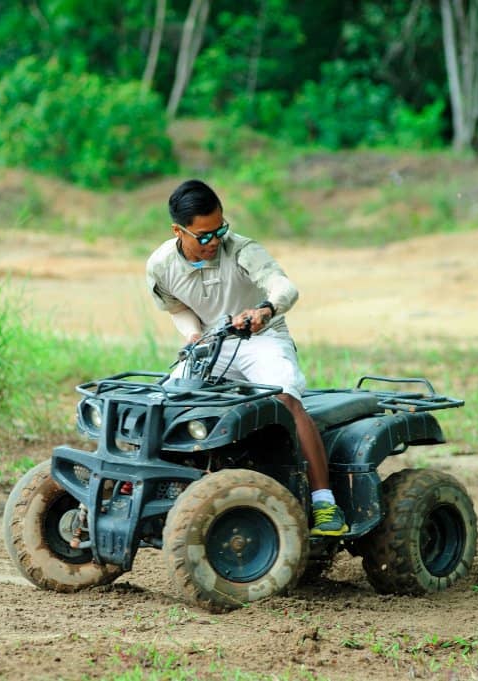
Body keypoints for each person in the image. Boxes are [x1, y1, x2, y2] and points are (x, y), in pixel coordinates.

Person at [145, 179, 348, 537]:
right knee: (167, 400)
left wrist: (264, 311)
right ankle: (159, 486)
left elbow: (285, 288)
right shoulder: (161, 265)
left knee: (285, 396)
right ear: (178, 231)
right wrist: (193, 334)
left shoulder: (241, 250)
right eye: (203, 235)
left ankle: (323, 501)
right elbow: (176, 307)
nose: (214, 241)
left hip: (261, 338)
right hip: (213, 342)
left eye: (220, 228)